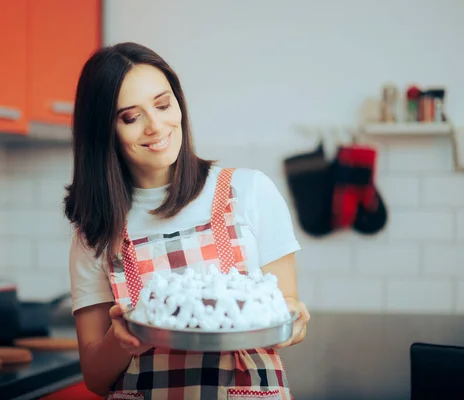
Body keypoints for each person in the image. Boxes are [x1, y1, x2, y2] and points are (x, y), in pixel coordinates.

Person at [64, 41, 310, 400]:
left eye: (163, 105)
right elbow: (95, 378)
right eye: (131, 117)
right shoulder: (95, 232)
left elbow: (285, 316)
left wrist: (294, 323)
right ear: (103, 131)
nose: (156, 126)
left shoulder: (250, 191)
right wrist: (121, 341)